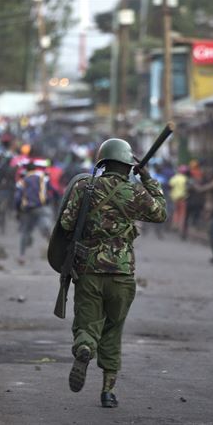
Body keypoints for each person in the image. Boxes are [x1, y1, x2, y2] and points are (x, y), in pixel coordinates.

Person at [60, 138, 167, 408]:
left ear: (102, 162)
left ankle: (85, 346)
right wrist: (148, 180)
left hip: (88, 270)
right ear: (128, 166)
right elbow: (160, 213)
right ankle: (108, 391)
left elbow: (65, 222)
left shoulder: (85, 187)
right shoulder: (134, 193)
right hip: (121, 273)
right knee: (113, 329)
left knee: (87, 323)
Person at [14, 161, 55, 263]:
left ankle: (22, 255)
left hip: (27, 209)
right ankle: (53, 248)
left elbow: (17, 198)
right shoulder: (43, 178)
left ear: (26, 170)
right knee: (45, 227)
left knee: (25, 232)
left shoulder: (22, 180)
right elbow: (52, 191)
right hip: (41, 208)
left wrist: (18, 210)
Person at [169, 165, 188, 234]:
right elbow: (187, 187)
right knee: (182, 213)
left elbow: (170, 186)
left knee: (176, 212)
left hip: (175, 198)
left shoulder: (174, 178)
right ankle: (181, 227)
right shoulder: (185, 178)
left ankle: (174, 225)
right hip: (182, 198)